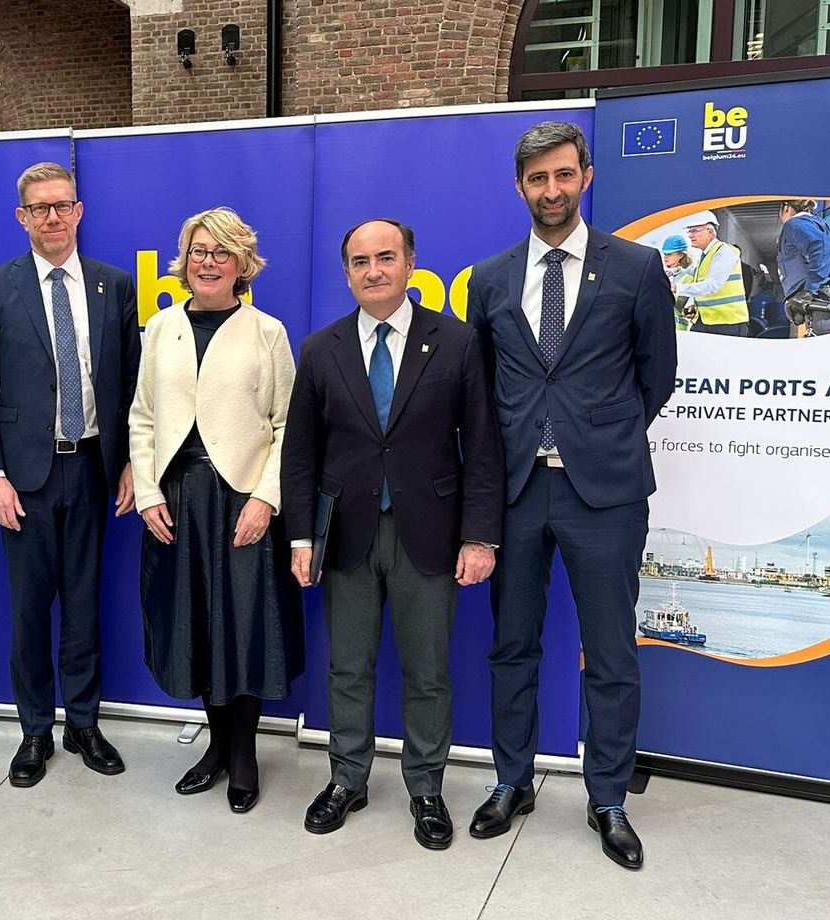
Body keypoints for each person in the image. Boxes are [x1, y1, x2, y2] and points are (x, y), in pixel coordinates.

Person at [465, 122, 676, 870]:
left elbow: (658, 377)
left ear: (585, 176)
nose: (550, 191)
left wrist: (596, 435)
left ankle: (609, 797)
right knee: (511, 644)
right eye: (536, 180)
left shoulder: (638, 268)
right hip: (518, 492)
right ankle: (511, 781)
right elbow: (485, 390)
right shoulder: (489, 280)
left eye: (562, 175)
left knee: (612, 652)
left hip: (606, 493)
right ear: (519, 187)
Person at [280, 218, 503, 849]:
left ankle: (426, 789)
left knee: (428, 671)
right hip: (345, 536)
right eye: (359, 261)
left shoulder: (456, 342)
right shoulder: (322, 349)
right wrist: (302, 537)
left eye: (386, 258)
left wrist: (480, 536)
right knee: (347, 668)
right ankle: (347, 778)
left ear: (410, 263)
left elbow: (483, 448)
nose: (373, 271)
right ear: (346, 271)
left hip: (430, 535)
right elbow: (301, 453)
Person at [0, 162, 141, 787]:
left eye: (62, 205)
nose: (52, 217)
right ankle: (35, 730)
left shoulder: (114, 286)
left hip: (93, 469)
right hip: (25, 480)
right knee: (30, 611)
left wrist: (129, 466)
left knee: (85, 608)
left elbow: (131, 387)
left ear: (79, 211)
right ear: (22, 218)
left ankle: (84, 724)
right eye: (39, 208)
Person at [128, 207, 301, 813]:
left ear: (241, 264)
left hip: (243, 501)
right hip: (179, 501)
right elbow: (143, 417)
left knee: (244, 625)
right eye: (199, 250)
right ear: (185, 259)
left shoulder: (266, 332)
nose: (207, 261)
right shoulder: (160, 328)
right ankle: (217, 747)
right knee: (197, 624)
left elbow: (287, 426)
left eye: (220, 252)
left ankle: (245, 753)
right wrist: (147, 493)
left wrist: (266, 499)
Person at [777, 199, 830, 337]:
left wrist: (808, 291)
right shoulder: (828, 229)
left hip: (826, 314)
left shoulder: (795, 224)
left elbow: (821, 248)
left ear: (786, 207)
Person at [674, 211, 750, 336]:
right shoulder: (705, 256)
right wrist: (697, 307)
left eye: (695, 231)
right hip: (708, 321)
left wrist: (677, 288)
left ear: (710, 231)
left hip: (728, 323)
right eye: (689, 231)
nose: (690, 235)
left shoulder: (724, 251)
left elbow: (712, 286)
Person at [658, 234, 694, 331]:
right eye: (665, 254)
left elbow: (678, 304)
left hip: (677, 328)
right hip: (659, 324)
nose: (665, 257)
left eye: (669, 254)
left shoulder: (687, 277)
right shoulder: (659, 272)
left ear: (680, 255)